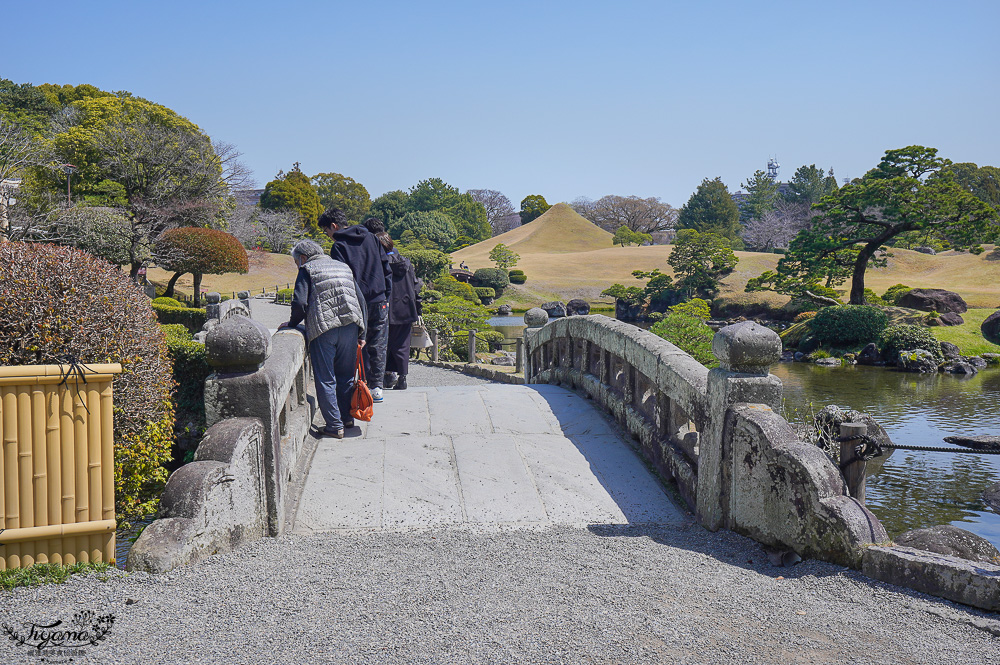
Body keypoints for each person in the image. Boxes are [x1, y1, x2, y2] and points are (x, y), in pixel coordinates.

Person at [282, 239, 367, 439]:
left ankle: (334, 425)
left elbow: (300, 302)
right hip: (350, 326)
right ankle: (347, 418)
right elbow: (361, 300)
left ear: (302, 258)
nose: (297, 266)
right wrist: (362, 333)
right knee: (345, 376)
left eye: (296, 262)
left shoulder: (307, 269)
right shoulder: (343, 266)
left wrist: (292, 323)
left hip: (324, 328)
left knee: (326, 378)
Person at [318, 208, 392, 403]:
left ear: (333, 226)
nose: (328, 236)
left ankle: (358, 386)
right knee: (378, 343)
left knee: (354, 344)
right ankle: (376, 387)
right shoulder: (371, 238)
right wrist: (386, 294)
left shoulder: (339, 246)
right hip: (379, 299)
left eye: (327, 232)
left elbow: (342, 279)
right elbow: (386, 268)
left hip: (355, 302)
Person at [364, 218, 421, 390]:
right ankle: (402, 378)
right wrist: (418, 308)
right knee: (402, 345)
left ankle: (383, 377)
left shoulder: (378, 264)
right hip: (405, 308)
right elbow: (415, 286)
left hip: (384, 308)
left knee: (381, 343)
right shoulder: (406, 262)